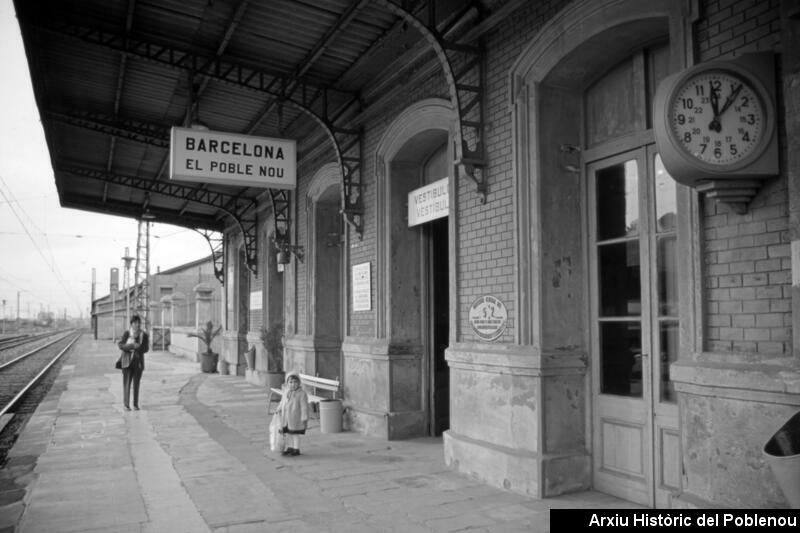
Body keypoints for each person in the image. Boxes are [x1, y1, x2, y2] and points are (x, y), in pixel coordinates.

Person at [117, 315, 149, 411]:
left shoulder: (144, 335)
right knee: (126, 383)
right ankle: (126, 405)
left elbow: (146, 349)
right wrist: (131, 346)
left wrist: (138, 347)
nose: (137, 325)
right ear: (131, 324)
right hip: (127, 361)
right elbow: (120, 345)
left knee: (136, 384)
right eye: (135, 323)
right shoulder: (127, 333)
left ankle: (135, 405)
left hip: (138, 362)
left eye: (139, 323)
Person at [276, 371, 308, 456]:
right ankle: (290, 447)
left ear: (299, 383)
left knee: (295, 434)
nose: (293, 384)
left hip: (295, 418)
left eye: (295, 382)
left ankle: (296, 449)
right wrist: (279, 408)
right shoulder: (286, 392)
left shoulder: (302, 394)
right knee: (288, 433)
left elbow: (304, 406)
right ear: (287, 383)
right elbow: (282, 402)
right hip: (286, 417)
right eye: (290, 382)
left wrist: (304, 417)